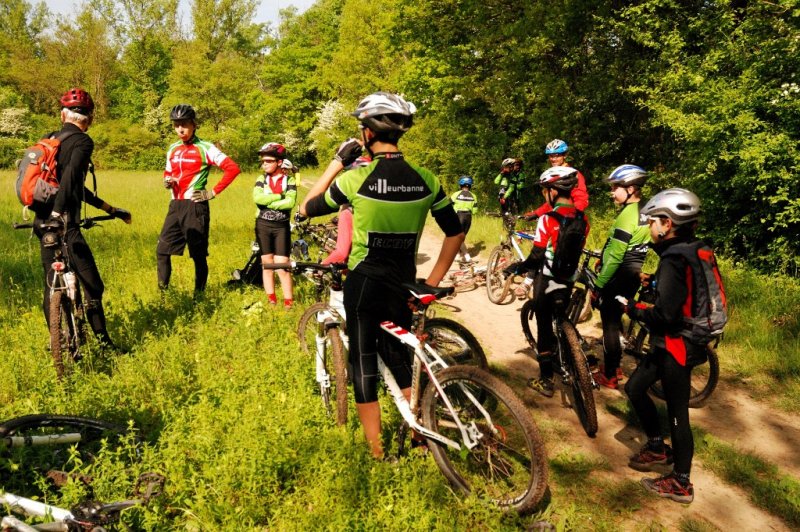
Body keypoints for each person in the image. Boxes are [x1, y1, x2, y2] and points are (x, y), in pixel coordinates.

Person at [300, 92, 464, 458]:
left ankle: (377, 453)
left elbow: (307, 207)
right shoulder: (427, 179)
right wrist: (432, 281)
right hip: (405, 282)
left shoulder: (355, 179)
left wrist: (335, 164)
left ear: (368, 134)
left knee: (363, 363)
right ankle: (420, 428)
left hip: (366, 283)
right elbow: (456, 231)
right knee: (398, 354)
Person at [622, 188, 713, 504]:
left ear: (668, 223)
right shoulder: (691, 248)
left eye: (652, 221)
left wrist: (631, 309)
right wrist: (656, 282)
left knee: (678, 413)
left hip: (678, 345)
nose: (649, 227)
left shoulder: (674, 258)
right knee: (634, 388)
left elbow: (664, 315)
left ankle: (682, 483)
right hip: (672, 343)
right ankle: (657, 445)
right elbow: (684, 291)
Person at [32, 88, 132, 351]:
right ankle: (104, 344)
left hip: (41, 223)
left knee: (49, 283)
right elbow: (71, 181)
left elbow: (70, 186)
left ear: (63, 114)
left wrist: (111, 208)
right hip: (64, 223)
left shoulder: (49, 139)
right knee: (94, 286)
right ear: (89, 118)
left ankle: (58, 341)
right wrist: (58, 215)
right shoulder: (83, 142)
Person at [509, 166, 589, 398]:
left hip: (547, 279)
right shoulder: (583, 219)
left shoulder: (547, 219)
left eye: (545, 190)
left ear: (553, 191)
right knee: (561, 314)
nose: (544, 194)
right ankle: (570, 351)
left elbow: (536, 256)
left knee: (544, 325)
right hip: (568, 278)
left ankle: (545, 380)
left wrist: (517, 268)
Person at [157, 104, 241, 294]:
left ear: (194, 125)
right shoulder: (173, 148)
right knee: (162, 251)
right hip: (175, 205)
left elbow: (233, 168)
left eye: (184, 124)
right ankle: (163, 296)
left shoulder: (205, 147)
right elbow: (168, 171)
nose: (180, 129)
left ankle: (199, 296)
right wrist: (167, 181)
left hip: (195, 206)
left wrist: (212, 192)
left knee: (198, 255)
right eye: (176, 125)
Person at [591, 165, 652, 389]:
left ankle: (610, 375)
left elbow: (616, 256)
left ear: (631, 188)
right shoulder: (646, 210)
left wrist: (598, 285)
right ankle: (615, 366)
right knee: (616, 319)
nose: (612, 191)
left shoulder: (627, 215)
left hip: (618, 275)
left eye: (616, 186)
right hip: (633, 274)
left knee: (609, 324)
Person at [515, 139, 591, 298]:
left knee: (544, 251)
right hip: (557, 216)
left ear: (564, 155)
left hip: (567, 221)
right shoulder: (553, 173)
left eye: (557, 155)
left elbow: (581, 199)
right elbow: (550, 204)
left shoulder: (573, 174)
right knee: (541, 248)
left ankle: (528, 281)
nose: (553, 159)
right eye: (550, 156)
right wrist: (535, 214)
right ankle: (532, 279)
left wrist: (570, 217)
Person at [254, 142, 297, 307]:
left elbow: (290, 203)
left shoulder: (289, 180)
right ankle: (271, 300)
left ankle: (288, 303)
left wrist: (270, 201)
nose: (264, 164)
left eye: (268, 161)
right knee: (267, 264)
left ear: (279, 162)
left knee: (283, 267)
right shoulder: (261, 179)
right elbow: (258, 199)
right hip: (263, 225)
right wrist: (279, 196)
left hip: (281, 227)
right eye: (263, 161)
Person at [451, 175, 478, 263]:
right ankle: (457, 255)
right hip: (468, 217)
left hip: (458, 216)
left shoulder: (455, 194)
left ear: (461, 184)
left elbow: (448, 205)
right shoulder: (474, 196)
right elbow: (475, 211)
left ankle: (467, 257)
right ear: (470, 185)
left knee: (457, 237)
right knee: (461, 238)